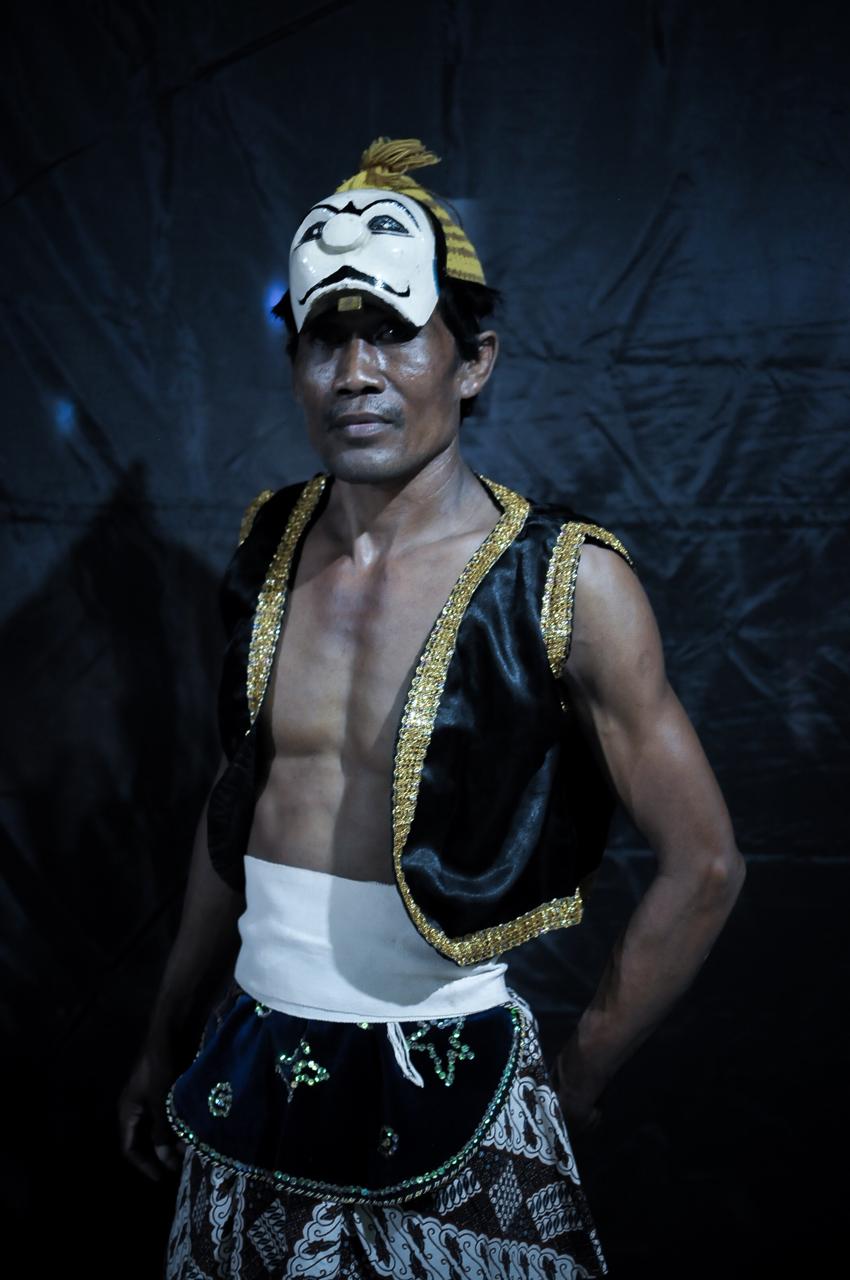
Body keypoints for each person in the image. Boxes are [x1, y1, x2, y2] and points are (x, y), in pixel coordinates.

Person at [119, 138, 745, 1278]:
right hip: (249, 1064)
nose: (356, 373)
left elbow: (704, 864)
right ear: (295, 364)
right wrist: (164, 1035)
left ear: (474, 362)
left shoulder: (568, 581)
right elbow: (237, 799)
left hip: (459, 1079)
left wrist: (573, 1076)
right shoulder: (269, 543)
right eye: (326, 337)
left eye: (395, 332)